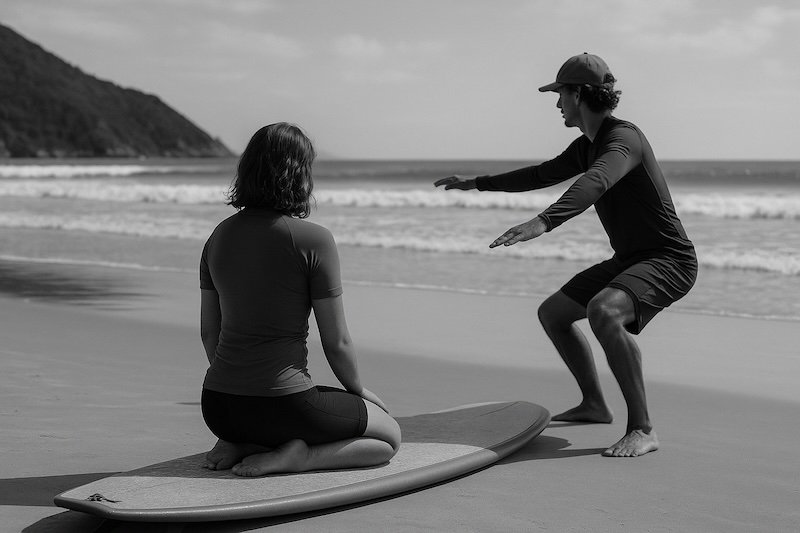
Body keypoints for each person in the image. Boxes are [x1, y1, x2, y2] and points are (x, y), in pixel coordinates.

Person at [434, 53, 697, 457]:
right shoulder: (586, 145)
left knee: (604, 312)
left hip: (669, 259)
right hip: (631, 257)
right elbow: (539, 174)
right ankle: (594, 404)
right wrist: (475, 184)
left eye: (559, 94)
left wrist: (544, 221)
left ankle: (643, 429)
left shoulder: (623, 139)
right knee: (554, 314)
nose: (557, 104)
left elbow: (598, 181)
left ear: (578, 94)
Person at [200, 122, 400, 477]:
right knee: (389, 438)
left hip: (218, 407)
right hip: (284, 404)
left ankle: (241, 441)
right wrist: (359, 391)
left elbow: (208, 333)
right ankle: (301, 458)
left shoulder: (218, 237)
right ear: (299, 175)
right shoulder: (313, 240)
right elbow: (336, 341)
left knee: (278, 411)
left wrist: (239, 385)